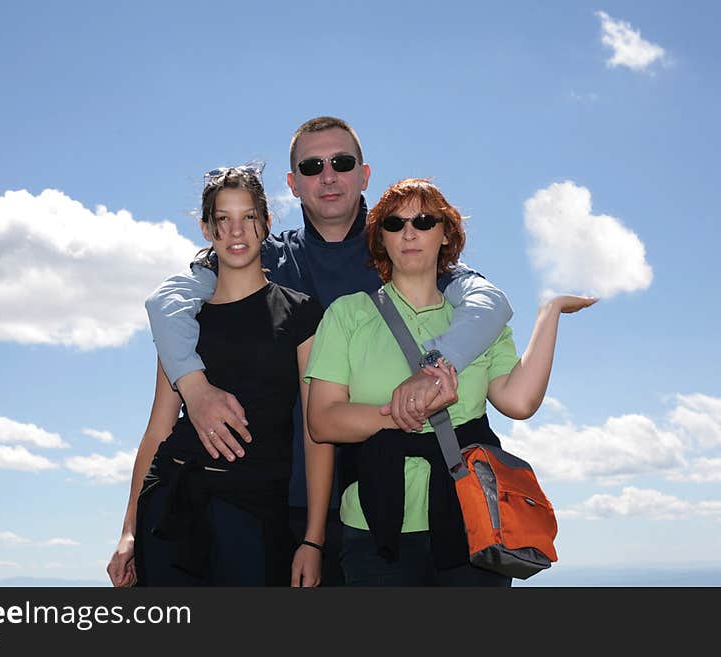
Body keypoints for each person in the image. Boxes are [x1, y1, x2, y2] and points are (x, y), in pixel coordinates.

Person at [142, 117, 514, 585]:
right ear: (292, 184)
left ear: (365, 174)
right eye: (312, 166)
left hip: (402, 510)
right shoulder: (261, 257)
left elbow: (489, 301)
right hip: (280, 507)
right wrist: (194, 388)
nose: (328, 175)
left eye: (341, 162)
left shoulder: (403, 244)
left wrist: (435, 367)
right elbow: (168, 301)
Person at [304, 178, 596, 586]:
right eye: (394, 223)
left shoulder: (477, 326)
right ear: (379, 239)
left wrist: (550, 313)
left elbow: (518, 402)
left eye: (424, 221)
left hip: (470, 523)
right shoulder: (347, 315)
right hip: (373, 527)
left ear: (446, 235)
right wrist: (404, 412)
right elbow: (322, 420)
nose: (409, 233)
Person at [107, 164, 332, 586]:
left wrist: (313, 539)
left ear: (265, 223)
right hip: (169, 505)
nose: (236, 232)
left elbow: (314, 431)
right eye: (223, 220)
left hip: (253, 512)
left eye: (248, 217)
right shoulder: (184, 321)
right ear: (206, 228)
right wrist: (128, 531)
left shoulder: (302, 313)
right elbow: (158, 427)